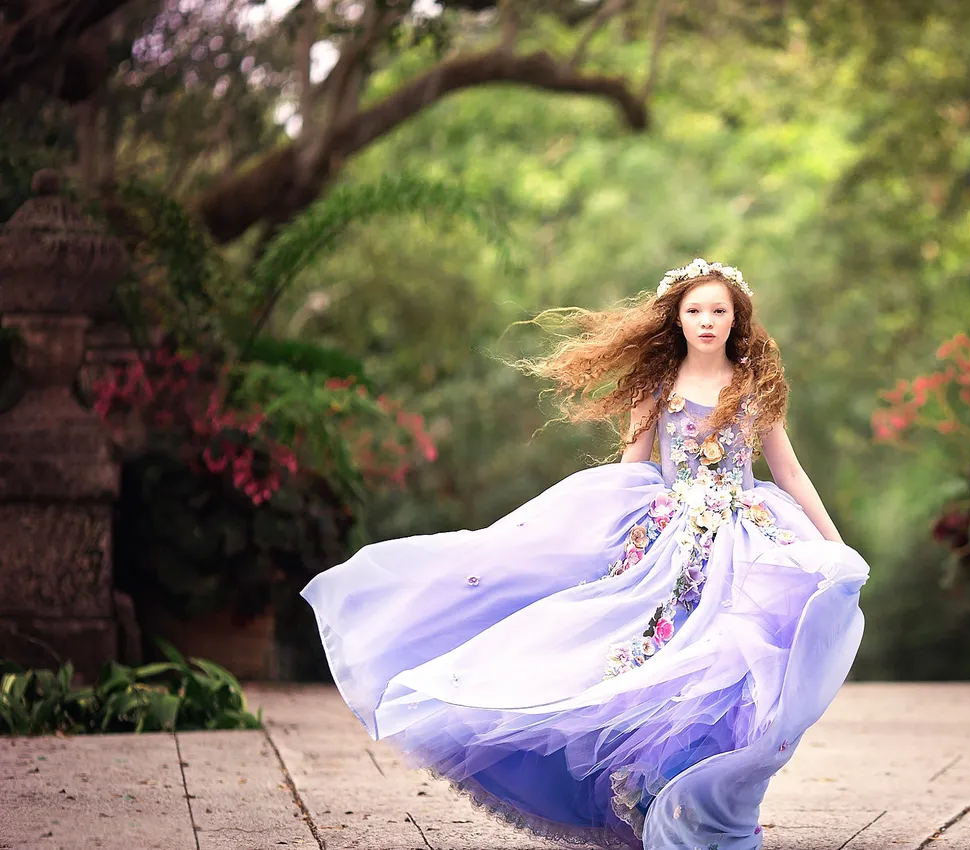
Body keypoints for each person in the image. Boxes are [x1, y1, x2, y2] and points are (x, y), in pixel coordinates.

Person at [301, 259, 869, 849]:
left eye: (718, 311)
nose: (706, 321)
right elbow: (632, 467)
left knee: (730, 670)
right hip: (669, 544)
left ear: (736, 319)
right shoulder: (658, 386)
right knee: (652, 665)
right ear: (676, 319)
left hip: (746, 543)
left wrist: (836, 547)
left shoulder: (754, 388)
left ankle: (717, 806)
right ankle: (654, 799)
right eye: (694, 310)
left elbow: (789, 472)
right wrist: (601, 536)